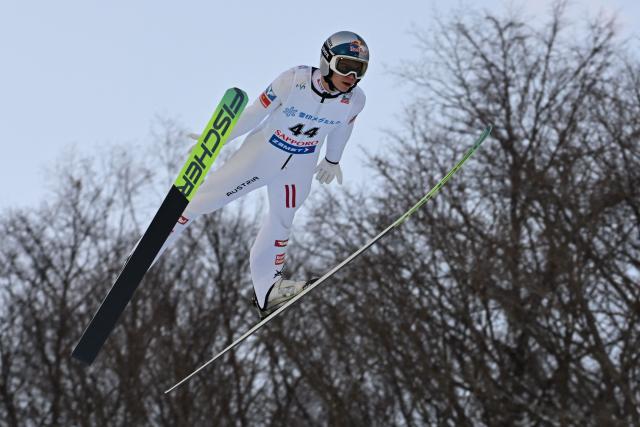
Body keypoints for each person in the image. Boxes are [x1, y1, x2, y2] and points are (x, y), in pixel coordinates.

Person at [155, 30, 368, 318]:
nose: (352, 76)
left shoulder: (354, 100)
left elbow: (344, 128)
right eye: (346, 66)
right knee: (202, 201)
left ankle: (268, 288)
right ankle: (149, 250)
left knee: (282, 221)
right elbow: (255, 113)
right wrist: (217, 139)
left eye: (360, 70)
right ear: (327, 61)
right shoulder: (294, 80)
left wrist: (333, 160)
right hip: (262, 155)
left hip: (300, 165)